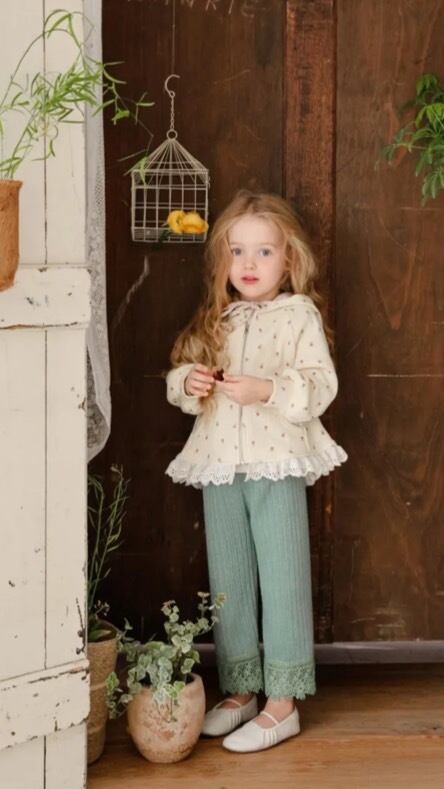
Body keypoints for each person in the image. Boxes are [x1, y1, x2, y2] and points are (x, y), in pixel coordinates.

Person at [164, 189, 348, 752]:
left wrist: (267, 389)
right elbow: (180, 378)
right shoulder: (217, 318)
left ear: (288, 260)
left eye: (264, 252)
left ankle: (282, 702)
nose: (248, 264)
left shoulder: (298, 315)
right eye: (237, 251)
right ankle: (241, 689)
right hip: (220, 464)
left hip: (275, 461)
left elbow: (320, 383)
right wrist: (190, 382)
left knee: (283, 574)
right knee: (230, 578)